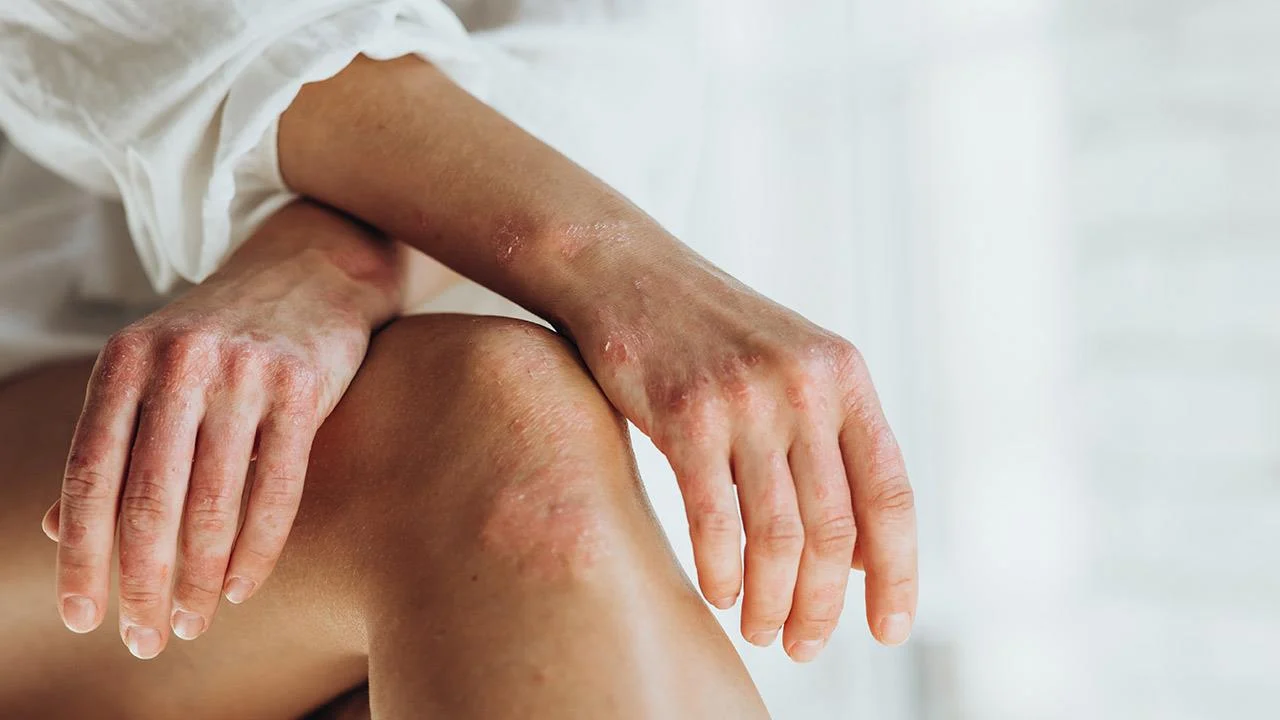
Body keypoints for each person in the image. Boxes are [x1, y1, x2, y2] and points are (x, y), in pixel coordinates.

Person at [0, 2, 918, 718]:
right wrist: (609, 260)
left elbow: (611, 45)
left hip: (352, 370)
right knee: (493, 431)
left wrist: (328, 254)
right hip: (30, 368)